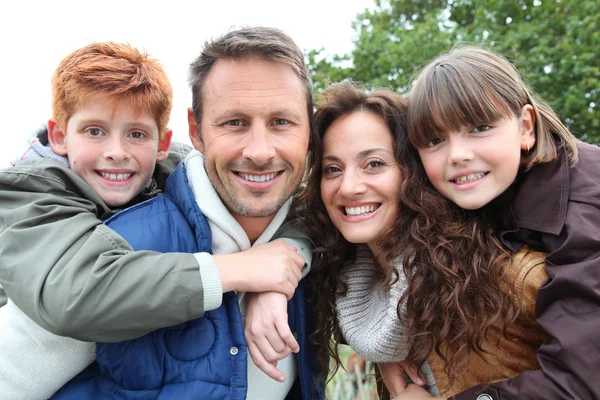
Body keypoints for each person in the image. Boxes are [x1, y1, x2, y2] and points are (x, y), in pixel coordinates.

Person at [0, 35, 316, 399]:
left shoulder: (167, 173)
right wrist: (237, 270)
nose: (117, 152)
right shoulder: (35, 198)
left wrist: (281, 269)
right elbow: (74, 296)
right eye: (234, 122)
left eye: (281, 121)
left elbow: (307, 212)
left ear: (162, 143)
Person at [385, 44, 600, 399]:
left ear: (526, 127)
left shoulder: (583, 210)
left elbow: (582, 379)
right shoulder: (488, 187)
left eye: (480, 127)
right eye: (435, 140)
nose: (458, 155)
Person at [291, 80, 440, 396]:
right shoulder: (362, 284)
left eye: (373, 164)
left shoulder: (476, 279)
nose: (348, 187)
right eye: (333, 169)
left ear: (412, 171)